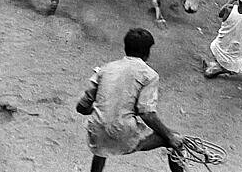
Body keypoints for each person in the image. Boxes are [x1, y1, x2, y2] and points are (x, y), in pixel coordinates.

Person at [76, 28, 184, 172]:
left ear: (126, 48)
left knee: (101, 147)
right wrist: (170, 135)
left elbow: (82, 107)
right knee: (174, 141)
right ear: (147, 53)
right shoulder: (149, 75)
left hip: (97, 134)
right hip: (122, 135)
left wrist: (98, 109)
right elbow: (147, 113)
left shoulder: (105, 69)